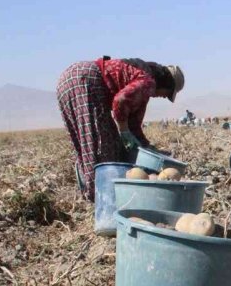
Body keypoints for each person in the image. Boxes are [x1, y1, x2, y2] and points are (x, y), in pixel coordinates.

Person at [57, 56, 184, 201]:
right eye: (167, 94)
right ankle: (100, 198)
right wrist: (123, 130)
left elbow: (134, 126)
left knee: (85, 142)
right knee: (103, 146)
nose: (163, 97)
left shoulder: (142, 79)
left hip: (69, 79)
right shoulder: (148, 82)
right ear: (166, 83)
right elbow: (120, 101)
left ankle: (90, 189)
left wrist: (147, 147)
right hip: (85, 80)